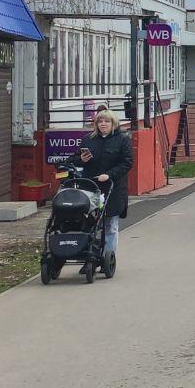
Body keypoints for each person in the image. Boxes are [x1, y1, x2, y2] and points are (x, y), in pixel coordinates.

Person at [66, 109, 134, 270]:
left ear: (113, 124)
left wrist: (109, 175)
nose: (103, 124)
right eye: (100, 122)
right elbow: (73, 160)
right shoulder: (88, 140)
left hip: (113, 188)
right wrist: (81, 159)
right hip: (91, 187)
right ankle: (90, 257)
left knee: (110, 225)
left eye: (107, 121)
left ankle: (107, 259)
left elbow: (127, 162)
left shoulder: (122, 139)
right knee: (89, 224)